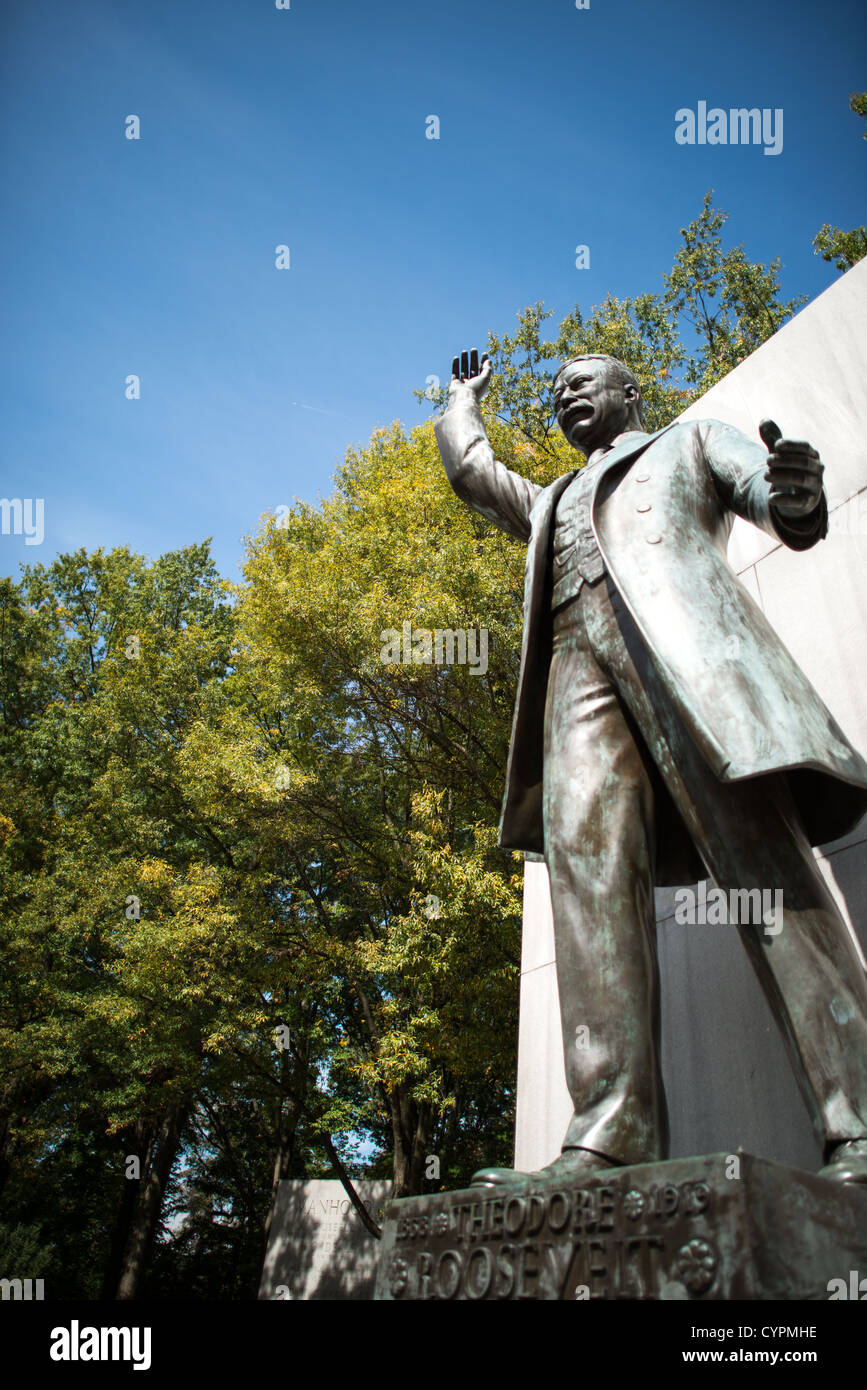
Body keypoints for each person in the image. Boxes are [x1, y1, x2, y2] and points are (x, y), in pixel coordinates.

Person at [435, 347, 867, 1187]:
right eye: (556, 390)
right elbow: (474, 472)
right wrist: (460, 402)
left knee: (763, 875)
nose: (564, 394)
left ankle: (857, 1119)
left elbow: (779, 504)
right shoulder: (551, 500)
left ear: (630, 393)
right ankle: (610, 1134)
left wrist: (796, 491)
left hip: (693, 671)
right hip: (576, 675)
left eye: (581, 381)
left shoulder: (690, 442)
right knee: (588, 888)